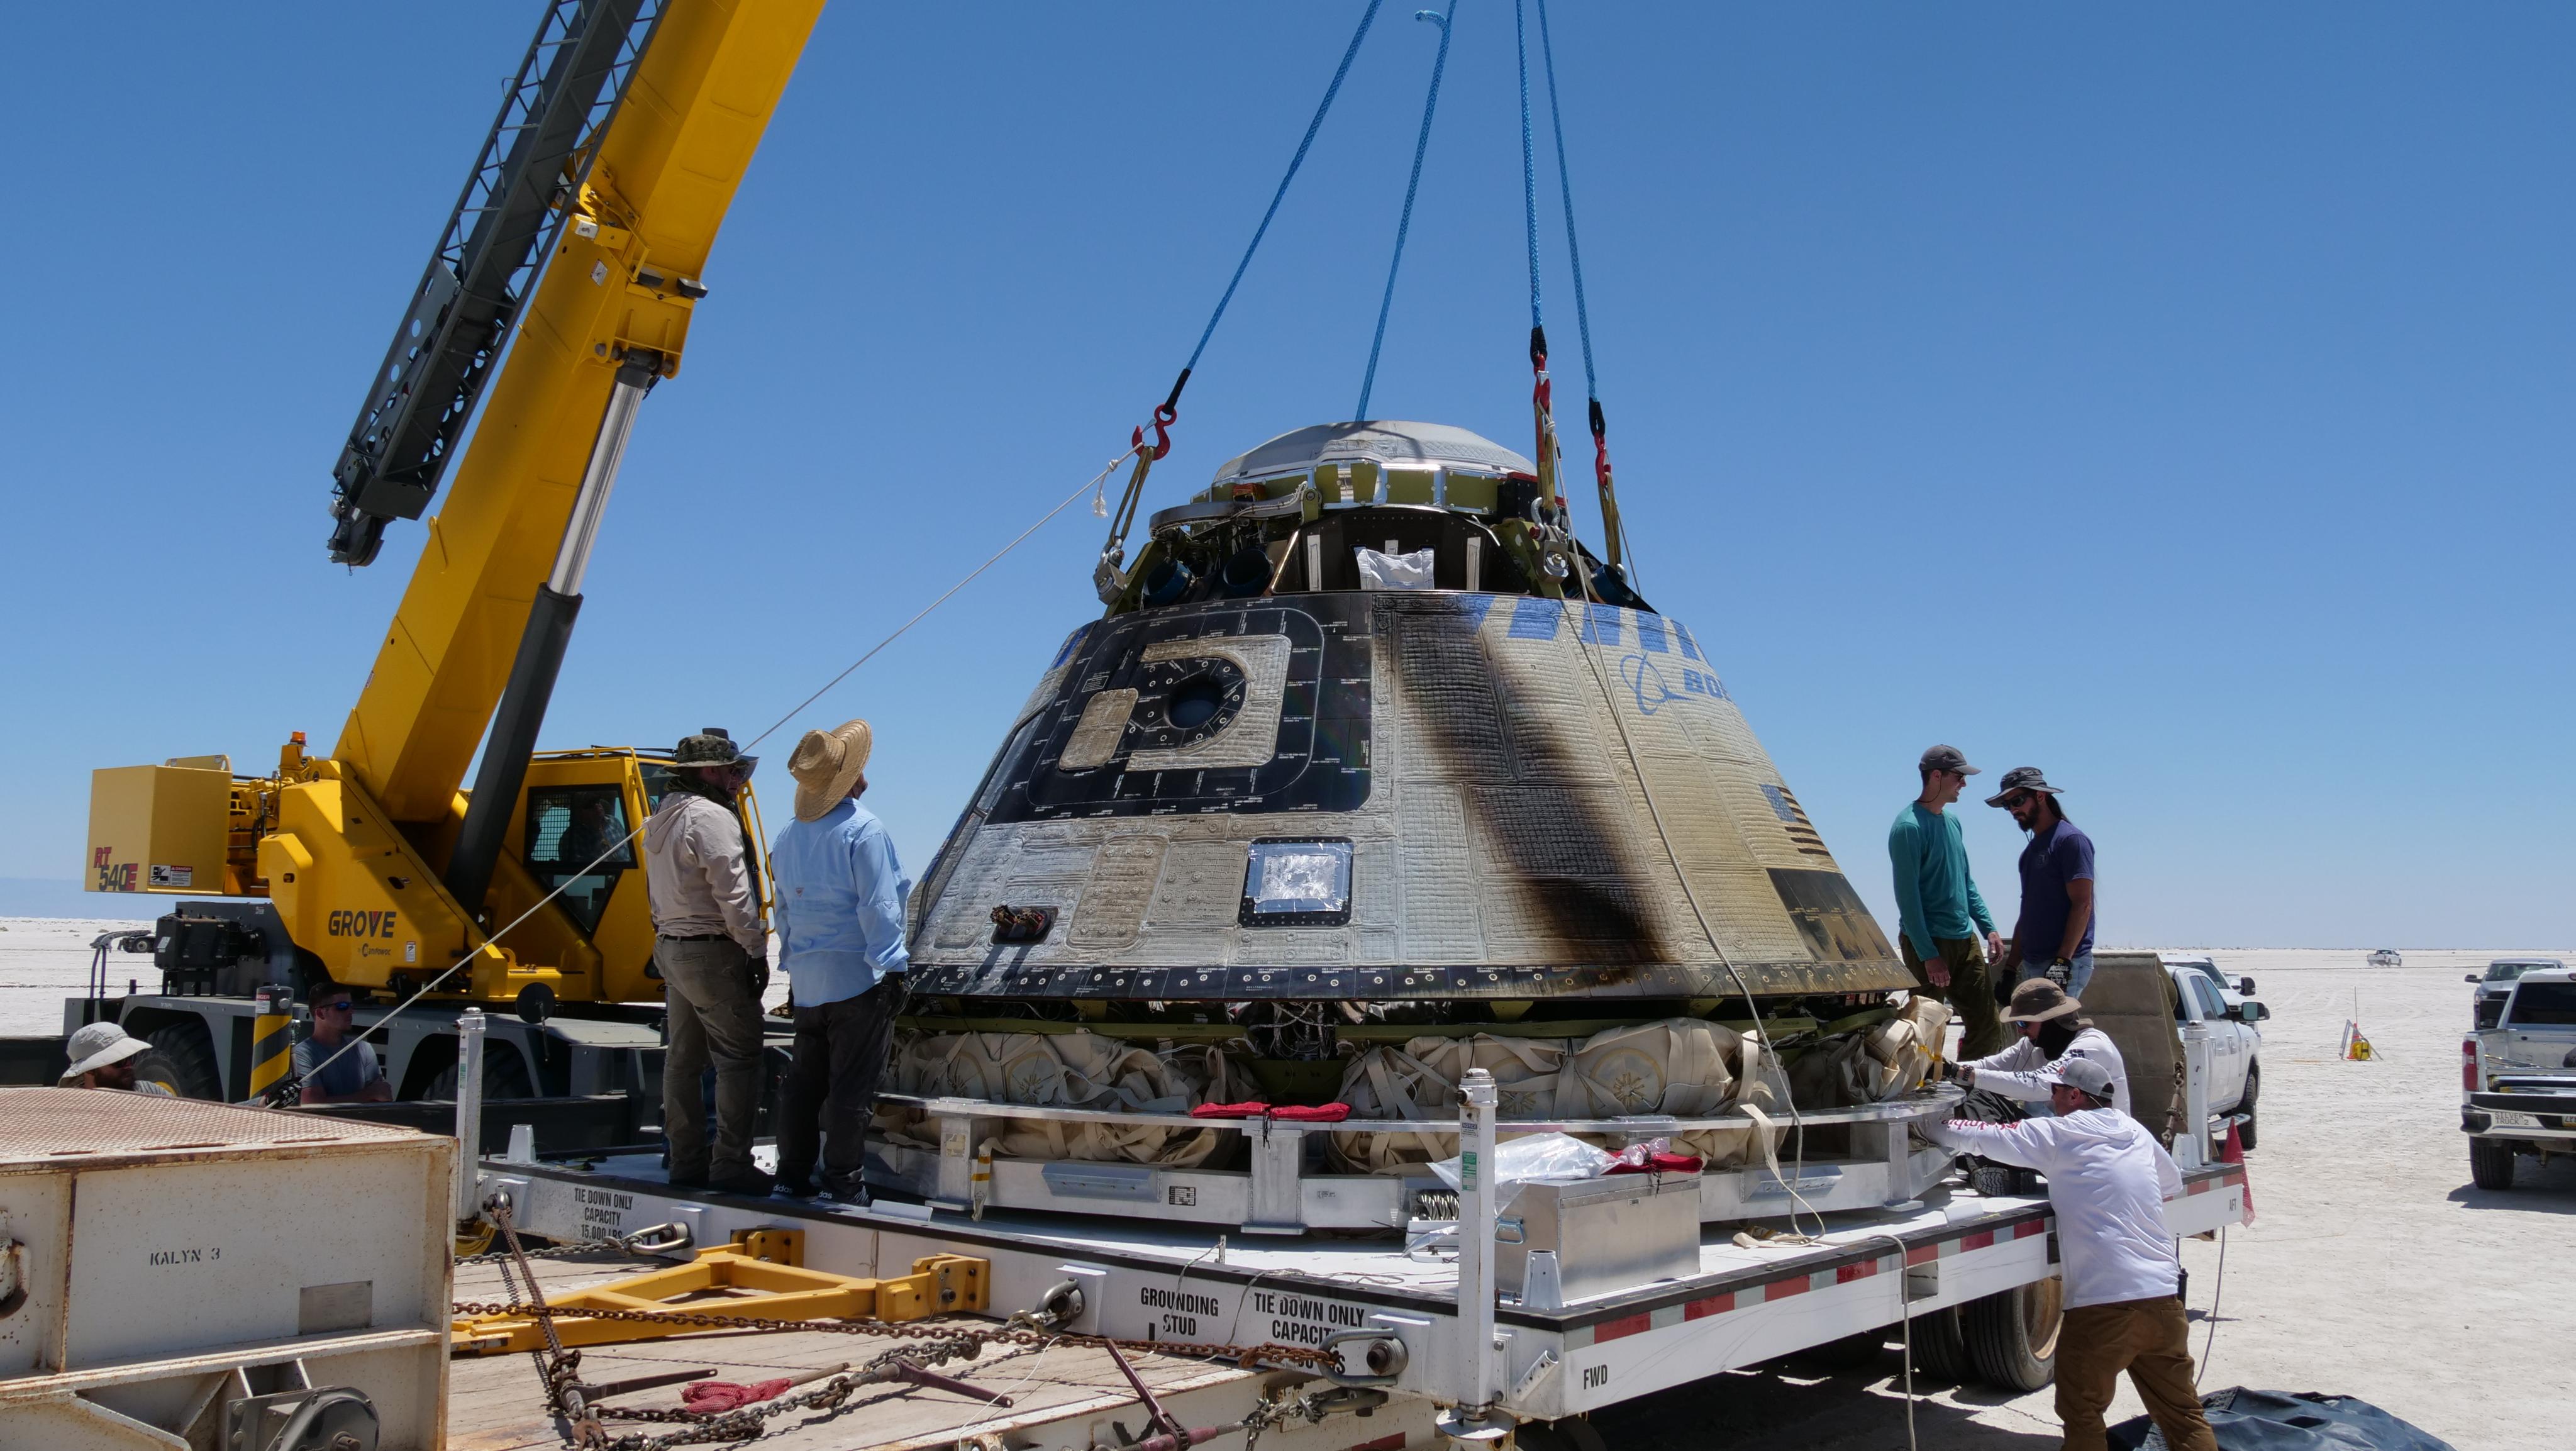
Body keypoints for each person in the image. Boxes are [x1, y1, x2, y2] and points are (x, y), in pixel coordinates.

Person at [1928, 1059, 2216, 1451]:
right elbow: (2169, 1183)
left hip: (2103, 1308)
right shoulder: (2133, 1130)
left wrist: (1923, 1124)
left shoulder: (2058, 1133)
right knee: (2183, 1415)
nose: (2050, 1099)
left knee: (2083, 1415)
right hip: (2164, 1301)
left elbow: (1980, 1137)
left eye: (2055, 1091)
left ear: (2075, 1095)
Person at [769, 718, 910, 1204]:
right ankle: (843, 1182)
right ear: (850, 778)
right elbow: (879, 905)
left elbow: (782, 910)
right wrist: (892, 966)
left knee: (803, 1084)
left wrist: (792, 965)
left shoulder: (788, 837)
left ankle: (790, 1175)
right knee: (852, 1087)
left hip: (808, 981)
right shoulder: (863, 830)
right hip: (856, 978)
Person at [641, 727, 773, 1196]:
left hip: (673, 946)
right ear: (712, 771)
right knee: (740, 1057)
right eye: (734, 770)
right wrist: (755, 950)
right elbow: (735, 894)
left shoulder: (662, 815)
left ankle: (686, 1162)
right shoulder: (713, 817)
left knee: (682, 1061)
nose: (739, 779)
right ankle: (731, 1164)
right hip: (711, 949)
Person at [1889, 745, 2008, 1057]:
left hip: (1963, 940)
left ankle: (1971, 1095)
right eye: (1959, 777)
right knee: (1925, 1032)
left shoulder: (1953, 822)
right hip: (1928, 944)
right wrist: (1929, 955)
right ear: (1937, 776)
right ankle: (1924, 1096)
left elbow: (1965, 880)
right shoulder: (1908, 828)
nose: (1964, 784)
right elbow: (1908, 899)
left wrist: (1989, 928)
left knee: (1987, 1025)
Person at [1945, 976, 2131, 1117]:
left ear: (2050, 1020)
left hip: (2102, 1144)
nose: (2020, 1032)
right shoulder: (2035, 1044)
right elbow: (1989, 1066)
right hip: (2072, 1134)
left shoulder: (2091, 1046)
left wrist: (1962, 1073)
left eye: (2024, 1024)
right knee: (1978, 1099)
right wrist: (1944, 1069)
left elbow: (2039, 1085)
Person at [1989, 765, 2097, 996]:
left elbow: (2083, 904)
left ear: (2040, 796)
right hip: (2035, 963)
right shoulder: (2029, 854)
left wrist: (2063, 962)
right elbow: (2028, 913)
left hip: (2066, 963)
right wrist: (2010, 968)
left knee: (2057, 1030)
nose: (2013, 810)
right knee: (2039, 1031)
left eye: (2017, 801)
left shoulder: (2071, 841)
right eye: (2008, 805)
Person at [297, 981, 393, 1104]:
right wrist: (369, 1094)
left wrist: (372, 1094)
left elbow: (383, 1096)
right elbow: (312, 1104)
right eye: (342, 1006)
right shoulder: (303, 1054)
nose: (351, 1011)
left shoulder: (364, 1049)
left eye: (351, 1006)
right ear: (320, 1013)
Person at [58, 1021, 174, 1094]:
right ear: (90, 1070)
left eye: (130, 1058)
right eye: (119, 1062)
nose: (129, 1066)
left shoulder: (152, 1092)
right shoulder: (73, 1107)